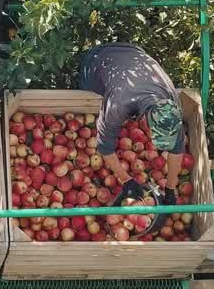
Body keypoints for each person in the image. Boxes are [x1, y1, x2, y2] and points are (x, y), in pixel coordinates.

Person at [79, 43, 187, 203]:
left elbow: (177, 149)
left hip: (134, 53)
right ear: (144, 122)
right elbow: (105, 146)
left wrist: (171, 187)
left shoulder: (171, 107)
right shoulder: (119, 103)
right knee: (87, 91)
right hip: (99, 60)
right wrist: (125, 179)